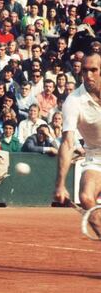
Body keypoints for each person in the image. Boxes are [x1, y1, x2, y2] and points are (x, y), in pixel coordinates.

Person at [54, 53, 101, 235]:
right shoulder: (73, 102)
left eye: (93, 70)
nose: (88, 75)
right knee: (86, 197)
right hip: (96, 156)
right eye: (84, 71)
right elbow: (67, 143)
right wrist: (60, 183)